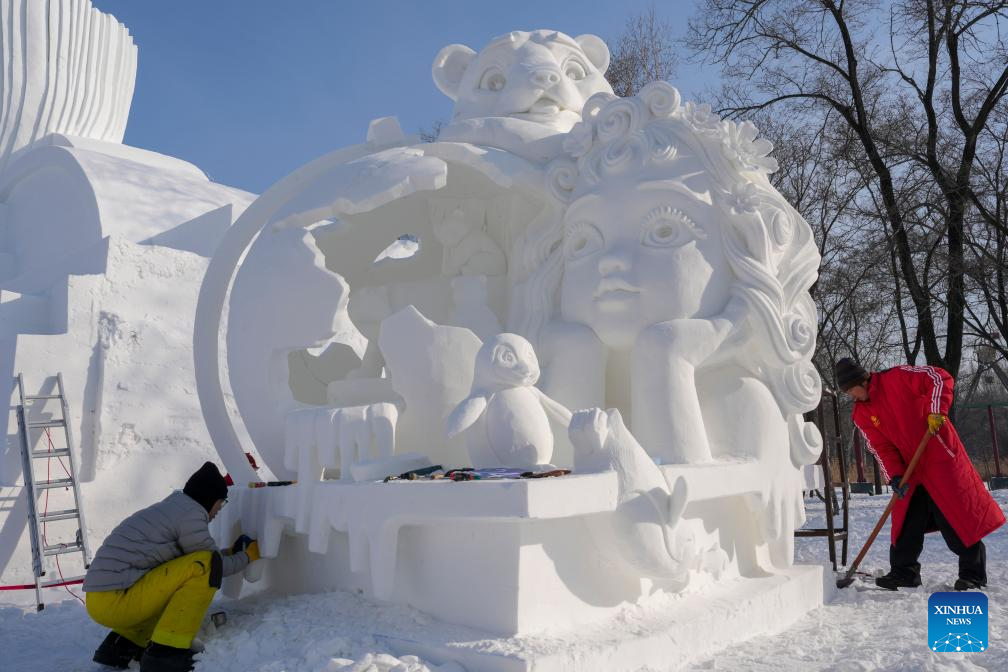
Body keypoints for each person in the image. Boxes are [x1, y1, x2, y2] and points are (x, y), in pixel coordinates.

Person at [835, 357, 1005, 591]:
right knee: (905, 521)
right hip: (910, 470)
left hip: (939, 457)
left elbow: (940, 378)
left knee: (955, 516)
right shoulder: (861, 414)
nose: (851, 396)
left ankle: (973, 575)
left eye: (850, 390)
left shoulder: (897, 378)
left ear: (861, 380)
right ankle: (904, 574)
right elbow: (882, 448)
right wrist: (895, 475)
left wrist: (937, 410)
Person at [83, 462, 260, 671]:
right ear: (210, 498)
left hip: (102, 600)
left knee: (182, 576)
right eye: (221, 502)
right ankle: (168, 653)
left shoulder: (174, 509)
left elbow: (187, 564)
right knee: (204, 567)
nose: (220, 509)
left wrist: (230, 553)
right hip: (117, 601)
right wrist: (248, 557)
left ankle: (123, 645)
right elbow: (211, 565)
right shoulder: (191, 516)